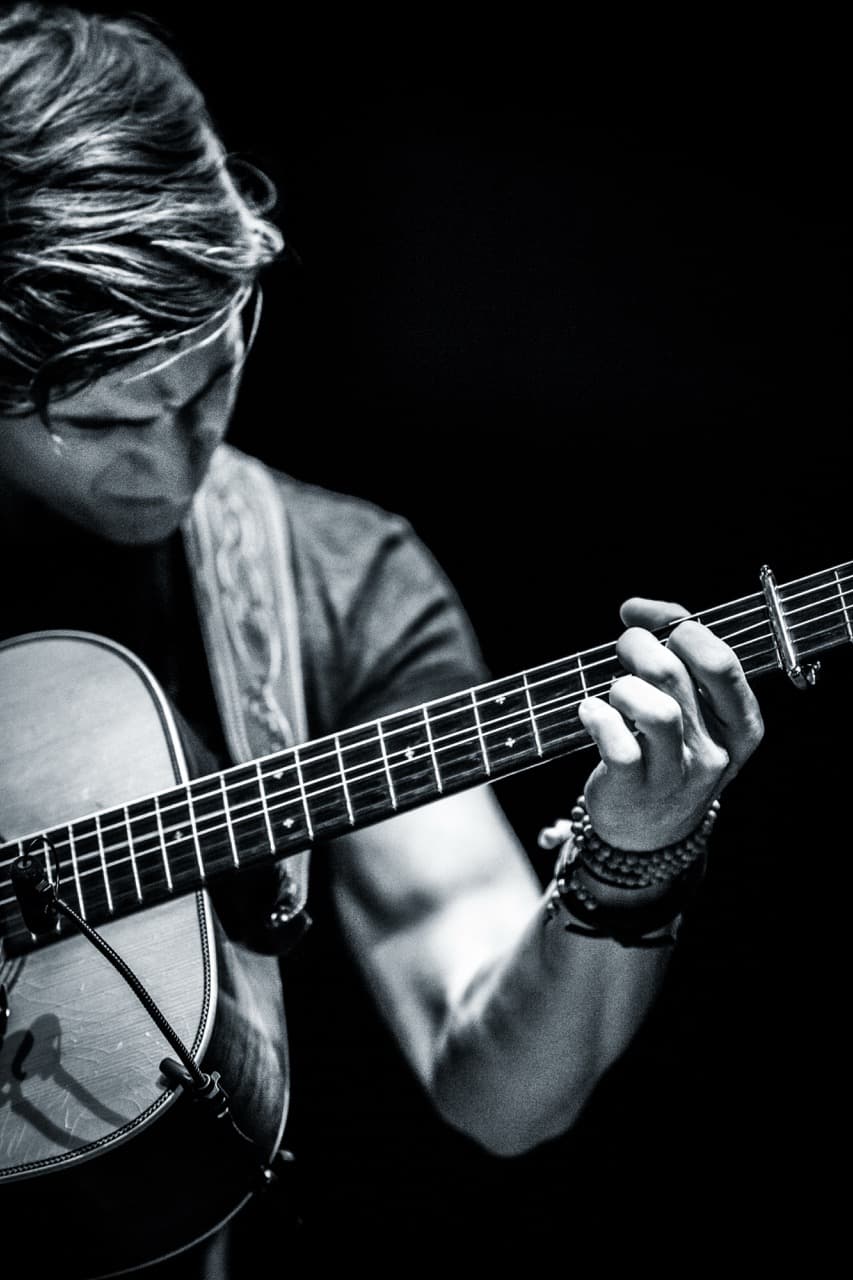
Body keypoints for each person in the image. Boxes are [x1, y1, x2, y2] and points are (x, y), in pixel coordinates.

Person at [0, 4, 765, 1274]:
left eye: (208, 379)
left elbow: (501, 1091)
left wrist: (639, 849)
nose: (177, 456)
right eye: (103, 419)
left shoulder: (336, 580)